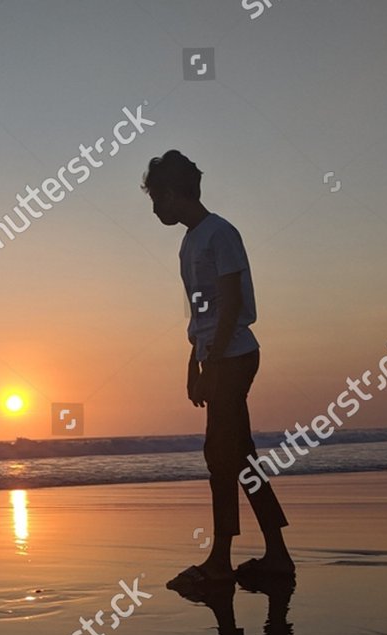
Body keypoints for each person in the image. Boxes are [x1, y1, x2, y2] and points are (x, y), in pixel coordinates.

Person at [141, 150, 294, 586]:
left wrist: (212, 363)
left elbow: (230, 306)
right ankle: (276, 555)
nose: (154, 209)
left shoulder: (219, 234)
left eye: (156, 199)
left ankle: (221, 562)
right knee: (239, 456)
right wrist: (194, 361)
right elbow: (201, 314)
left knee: (219, 456)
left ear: (172, 193)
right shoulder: (189, 242)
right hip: (216, 356)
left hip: (235, 356)